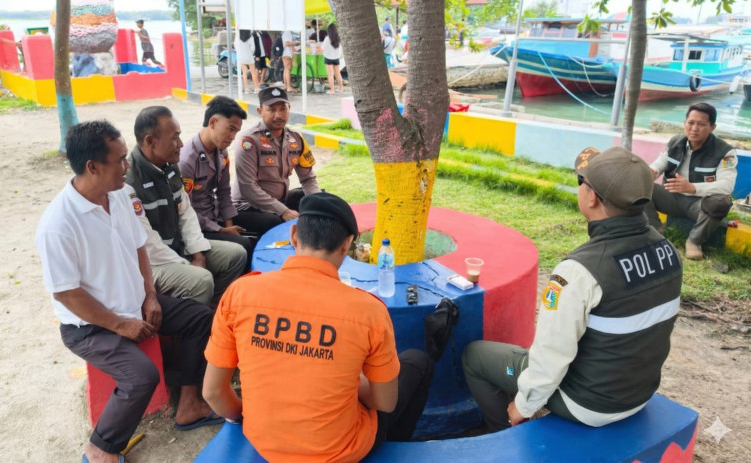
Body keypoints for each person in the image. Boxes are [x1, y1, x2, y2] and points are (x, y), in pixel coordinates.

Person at [36, 121, 223, 463]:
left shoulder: (119, 196)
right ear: (93, 167)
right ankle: (100, 449)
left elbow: (140, 249)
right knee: (142, 377)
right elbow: (66, 294)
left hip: (136, 304)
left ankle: (189, 405)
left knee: (202, 319)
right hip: (89, 326)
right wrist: (121, 325)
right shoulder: (58, 223)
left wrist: (150, 296)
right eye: (120, 159)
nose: (127, 166)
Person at [462, 146, 683, 434]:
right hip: (638, 394)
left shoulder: (579, 272)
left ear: (591, 197)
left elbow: (551, 356)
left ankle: (504, 431)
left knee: (475, 356)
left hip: (589, 405)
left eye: (582, 182)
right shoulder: (668, 251)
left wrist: (523, 405)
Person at [202, 192, 434, 462]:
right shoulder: (368, 310)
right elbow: (385, 402)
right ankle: (391, 451)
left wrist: (249, 416)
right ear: (346, 245)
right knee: (418, 362)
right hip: (340, 452)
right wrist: (352, 379)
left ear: (293, 236)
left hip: (263, 443)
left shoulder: (240, 292)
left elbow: (212, 392)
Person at [124, 106, 247, 306]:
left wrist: (197, 253)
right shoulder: (129, 182)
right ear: (150, 141)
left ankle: (214, 312)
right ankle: (190, 328)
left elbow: (186, 213)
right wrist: (188, 265)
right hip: (151, 263)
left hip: (179, 247)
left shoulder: (169, 166)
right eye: (174, 138)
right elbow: (149, 244)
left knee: (236, 255)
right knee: (201, 280)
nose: (181, 144)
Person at [643, 102, 738, 260]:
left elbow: (727, 185)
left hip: (700, 205)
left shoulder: (725, 151)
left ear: (712, 127)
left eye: (701, 124)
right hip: (671, 198)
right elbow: (660, 163)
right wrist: (651, 172)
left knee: (721, 202)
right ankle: (654, 232)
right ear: (684, 123)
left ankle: (694, 241)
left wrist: (692, 187)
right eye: (691, 123)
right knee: (640, 183)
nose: (694, 128)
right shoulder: (675, 142)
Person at [231, 87, 322, 237]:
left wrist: (319, 204)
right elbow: (248, 188)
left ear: (289, 109)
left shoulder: (296, 139)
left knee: (319, 199)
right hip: (248, 207)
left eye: (282, 109)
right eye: (272, 110)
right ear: (260, 111)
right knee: (275, 223)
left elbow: (308, 179)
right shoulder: (249, 141)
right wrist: (283, 211)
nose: (278, 115)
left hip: (279, 201)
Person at [178, 96, 254, 264]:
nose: (233, 136)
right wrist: (221, 230)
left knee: (268, 222)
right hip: (198, 227)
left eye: (236, 131)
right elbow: (186, 212)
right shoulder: (187, 160)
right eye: (230, 129)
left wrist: (228, 226)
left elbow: (224, 192)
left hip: (217, 216)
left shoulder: (222, 152)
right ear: (212, 122)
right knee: (244, 244)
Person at [322, 23, 343, 94]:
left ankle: (332, 90)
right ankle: (341, 88)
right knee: (338, 74)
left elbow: (323, 48)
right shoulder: (338, 38)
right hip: (336, 58)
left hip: (328, 58)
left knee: (330, 75)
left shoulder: (327, 39)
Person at [234, 29, 257, 94]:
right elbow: (253, 48)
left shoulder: (237, 37)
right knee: (253, 73)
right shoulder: (250, 37)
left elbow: (235, 46)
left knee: (244, 73)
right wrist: (250, 53)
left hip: (241, 57)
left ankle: (247, 89)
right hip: (249, 56)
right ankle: (256, 88)